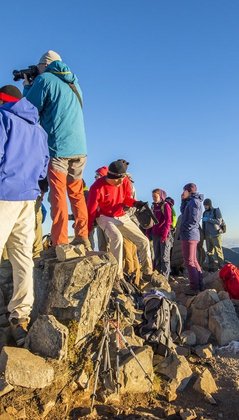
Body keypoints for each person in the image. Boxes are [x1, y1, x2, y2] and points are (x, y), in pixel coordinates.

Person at [23, 50, 90, 251]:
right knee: (77, 193)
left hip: (58, 147)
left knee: (58, 193)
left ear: (44, 65)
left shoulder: (44, 79)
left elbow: (29, 109)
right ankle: (82, 236)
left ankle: (60, 241)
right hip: (80, 149)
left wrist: (28, 86)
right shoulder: (74, 83)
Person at [0, 85, 49, 345]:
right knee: (23, 258)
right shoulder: (39, 131)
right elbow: (43, 171)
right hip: (27, 199)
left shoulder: (3, 118)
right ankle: (20, 317)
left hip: (3, 194)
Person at [87, 160, 154, 282]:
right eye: (120, 179)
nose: (123, 181)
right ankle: (118, 276)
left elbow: (126, 198)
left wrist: (135, 203)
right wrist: (89, 226)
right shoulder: (97, 187)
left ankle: (147, 272)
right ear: (113, 177)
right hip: (104, 216)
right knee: (117, 237)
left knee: (143, 241)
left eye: (124, 178)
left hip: (121, 215)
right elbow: (91, 210)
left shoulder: (124, 181)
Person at [180, 183, 203, 294]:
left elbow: (193, 221)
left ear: (188, 190)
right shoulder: (192, 201)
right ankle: (199, 284)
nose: (183, 192)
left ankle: (194, 288)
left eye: (184, 190)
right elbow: (183, 212)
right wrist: (183, 200)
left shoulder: (194, 202)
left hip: (189, 235)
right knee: (193, 261)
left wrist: (183, 229)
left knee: (189, 262)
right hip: (192, 234)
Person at [149, 189, 172, 279]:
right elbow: (150, 220)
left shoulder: (165, 206)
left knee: (164, 257)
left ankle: (165, 278)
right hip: (155, 234)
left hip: (164, 235)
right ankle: (157, 277)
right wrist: (148, 232)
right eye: (153, 197)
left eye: (155, 196)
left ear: (161, 196)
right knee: (157, 257)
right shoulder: (153, 207)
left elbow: (168, 221)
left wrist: (165, 234)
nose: (154, 198)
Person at [202, 198, 225, 271]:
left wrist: (208, 219)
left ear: (210, 205)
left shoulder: (216, 211)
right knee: (209, 252)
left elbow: (219, 222)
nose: (205, 207)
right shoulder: (204, 213)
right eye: (204, 205)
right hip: (207, 235)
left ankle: (221, 267)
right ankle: (212, 267)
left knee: (218, 251)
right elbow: (204, 225)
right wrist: (204, 234)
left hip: (216, 235)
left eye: (206, 205)